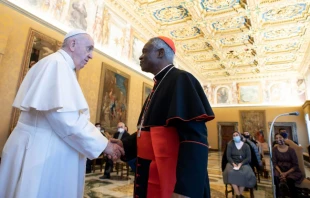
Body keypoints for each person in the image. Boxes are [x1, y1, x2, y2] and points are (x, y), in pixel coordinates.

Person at [0, 29, 124, 198]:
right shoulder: (57, 65)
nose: (91, 56)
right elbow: (67, 120)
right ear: (72, 44)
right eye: (89, 48)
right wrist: (105, 145)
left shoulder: (56, 64)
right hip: (39, 152)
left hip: (38, 146)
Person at [111, 36, 215, 198]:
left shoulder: (182, 79)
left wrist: (185, 190)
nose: (140, 56)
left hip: (173, 179)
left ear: (160, 53)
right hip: (150, 172)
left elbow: (194, 139)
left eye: (145, 51)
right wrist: (124, 145)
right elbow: (148, 131)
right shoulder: (158, 85)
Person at [223, 131, 256, 198]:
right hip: (232, 162)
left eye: (237, 135)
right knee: (230, 172)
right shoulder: (230, 145)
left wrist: (241, 164)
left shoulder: (246, 145)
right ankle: (238, 195)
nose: (235, 136)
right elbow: (228, 156)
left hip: (244, 163)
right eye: (234, 135)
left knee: (245, 173)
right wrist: (233, 164)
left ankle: (239, 194)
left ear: (240, 136)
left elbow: (248, 158)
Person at [272, 133, 304, 197]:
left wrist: (286, 173)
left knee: (290, 180)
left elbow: (295, 164)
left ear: (284, 139)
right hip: (279, 169)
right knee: (275, 178)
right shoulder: (274, 149)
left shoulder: (291, 150)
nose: (278, 139)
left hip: (291, 170)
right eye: (276, 138)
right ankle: (278, 195)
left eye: (280, 138)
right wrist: (281, 173)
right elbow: (274, 163)